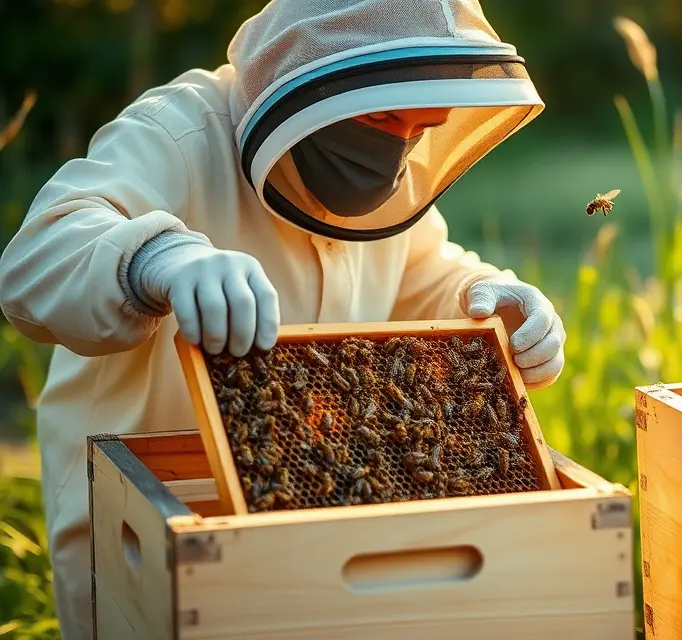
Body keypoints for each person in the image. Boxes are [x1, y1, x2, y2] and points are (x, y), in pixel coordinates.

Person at [0, 2, 566, 637]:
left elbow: (420, 269)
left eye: (420, 127)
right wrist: (156, 258)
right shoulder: (177, 131)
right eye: (381, 117)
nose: (395, 148)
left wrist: (490, 295)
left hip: (308, 521)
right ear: (311, 73)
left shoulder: (391, 184)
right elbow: (32, 260)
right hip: (148, 527)